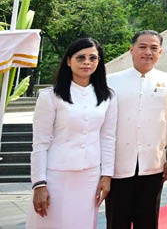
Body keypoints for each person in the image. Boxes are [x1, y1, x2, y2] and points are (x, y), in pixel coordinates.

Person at [28, 37, 117, 229]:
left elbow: (108, 138)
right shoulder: (50, 96)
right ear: (69, 61)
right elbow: (40, 143)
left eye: (93, 58)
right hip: (56, 175)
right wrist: (39, 184)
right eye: (81, 57)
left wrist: (106, 176)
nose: (87, 62)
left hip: (90, 176)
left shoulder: (107, 96)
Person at [106, 30, 167, 229]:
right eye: (142, 47)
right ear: (131, 49)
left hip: (153, 164)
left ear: (161, 52)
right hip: (118, 164)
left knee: (147, 220)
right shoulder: (111, 81)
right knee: (116, 220)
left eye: (154, 48)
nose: (148, 52)